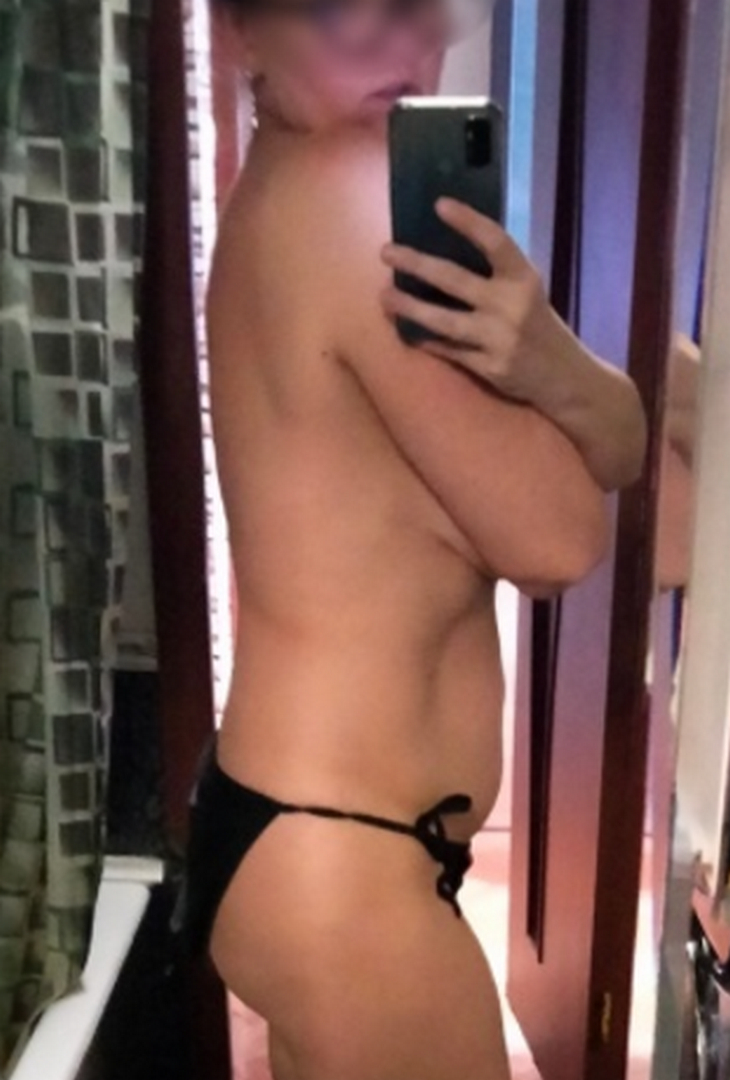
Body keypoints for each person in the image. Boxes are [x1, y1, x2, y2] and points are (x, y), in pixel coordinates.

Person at [174, 0, 648, 1076]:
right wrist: (555, 391)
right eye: (342, 12)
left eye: (418, 7)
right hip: (343, 855)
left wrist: (545, 358)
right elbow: (564, 535)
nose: (402, 44)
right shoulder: (352, 204)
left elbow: (618, 445)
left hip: (316, 836)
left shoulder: (284, 192)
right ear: (242, 34)